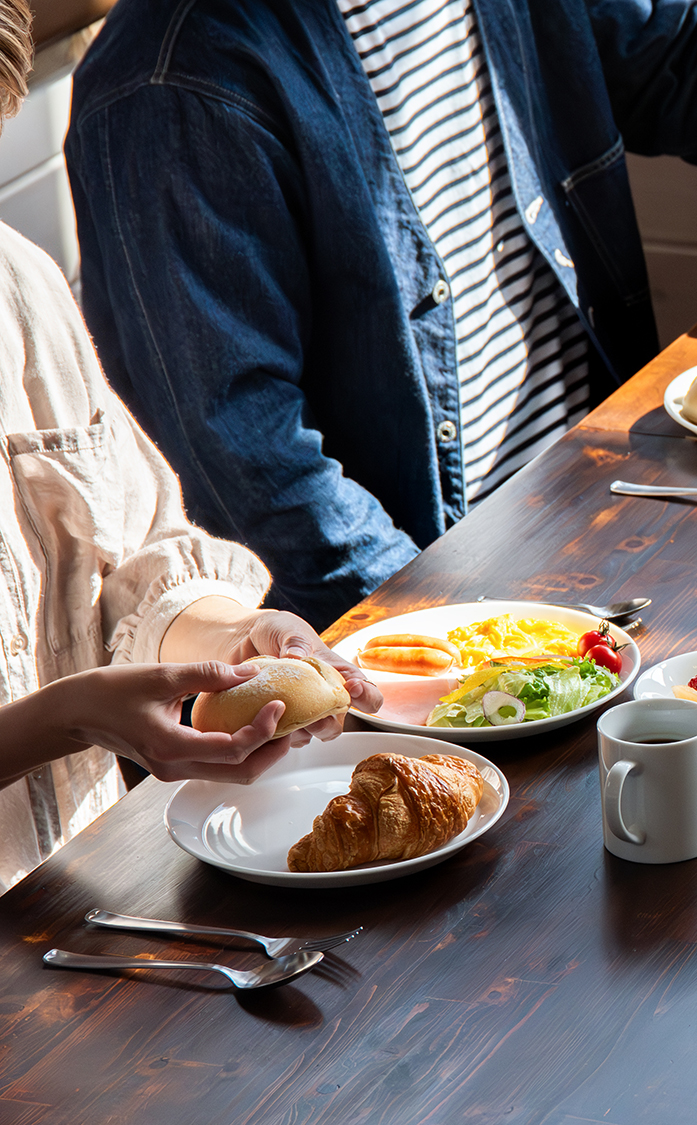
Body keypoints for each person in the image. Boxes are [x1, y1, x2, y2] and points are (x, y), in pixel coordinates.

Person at [65, 0, 697, 628]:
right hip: (433, 621)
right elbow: (246, 461)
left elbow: (666, 57)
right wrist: (474, 639)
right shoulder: (167, 86)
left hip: (607, 519)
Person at [0, 1, 377, 891]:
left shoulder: (19, 281)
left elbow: (133, 553)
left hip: (82, 902)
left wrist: (235, 639)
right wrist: (67, 720)